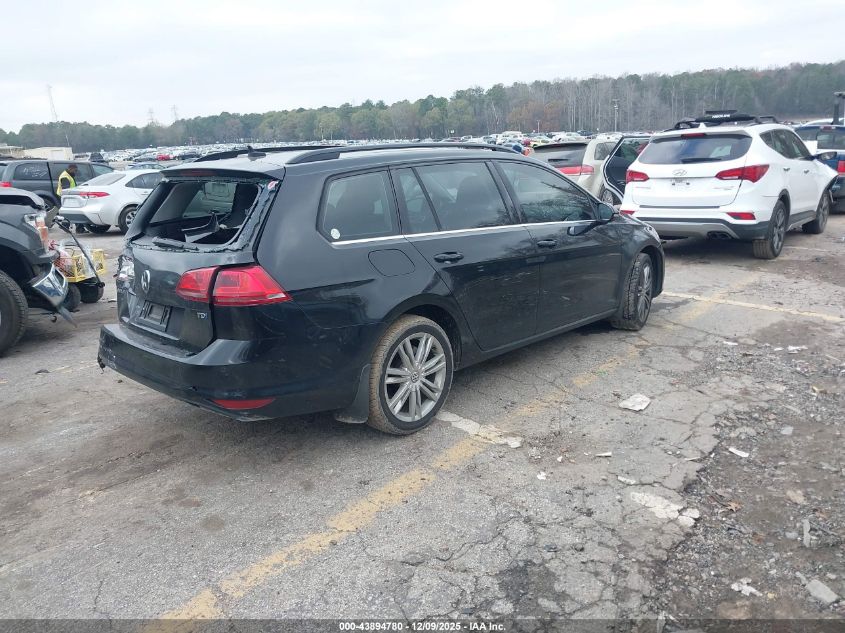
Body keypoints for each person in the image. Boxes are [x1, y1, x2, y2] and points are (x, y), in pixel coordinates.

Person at [56, 164, 87, 233]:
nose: (75, 172)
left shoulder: (68, 174)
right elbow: (66, 189)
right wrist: (71, 197)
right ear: (70, 169)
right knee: (73, 211)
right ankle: (76, 228)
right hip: (66, 196)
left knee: (71, 211)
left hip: (68, 196)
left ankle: (67, 226)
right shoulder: (65, 176)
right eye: (75, 170)